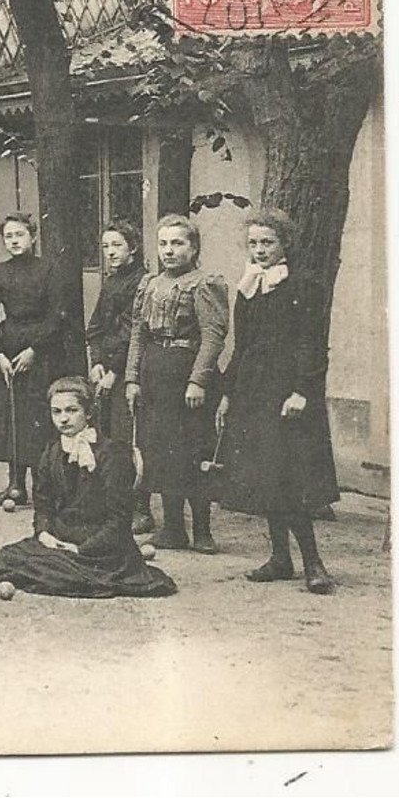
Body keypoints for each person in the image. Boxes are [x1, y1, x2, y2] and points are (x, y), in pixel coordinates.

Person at [216, 210, 339, 594]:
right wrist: (227, 393)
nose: (259, 250)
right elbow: (242, 345)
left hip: (288, 393)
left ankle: (313, 563)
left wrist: (302, 390)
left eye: (267, 242)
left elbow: (311, 344)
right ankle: (280, 559)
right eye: (253, 243)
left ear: (285, 244)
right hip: (254, 392)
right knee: (267, 474)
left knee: (290, 477)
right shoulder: (249, 287)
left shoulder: (303, 286)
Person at [0, 377, 178, 599]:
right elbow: (43, 506)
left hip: (102, 549)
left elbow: (119, 521)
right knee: (8, 559)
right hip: (61, 538)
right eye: (56, 412)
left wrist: (81, 549)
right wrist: (44, 534)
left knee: (61, 573)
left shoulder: (111, 455)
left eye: (71, 410)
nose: (63, 419)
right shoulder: (52, 452)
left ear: (89, 413)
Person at [125, 215, 230, 553]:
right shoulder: (149, 284)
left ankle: (202, 530)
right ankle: (173, 528)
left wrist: (198, 380)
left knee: (192, 451)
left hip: (187, 373)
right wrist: (132, 378)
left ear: (193, 247)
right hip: (155, 374)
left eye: (177, 243)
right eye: (163, 244)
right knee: (160, 452)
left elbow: (213, 337)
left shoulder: (204, 283)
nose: (169, 251)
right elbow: (138, 335)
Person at [0, 213, 68, 508]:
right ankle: (15, 485)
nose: (14, 241)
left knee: (37, 419)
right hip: (9, 347)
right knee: (11, 415)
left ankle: (43, 488)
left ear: (33, 237)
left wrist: (35, 350)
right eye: (9, 236)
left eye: (20, 235)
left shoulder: (49, 269)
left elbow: (58, 315)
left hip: (43, 351)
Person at [86, 220, 154, 534]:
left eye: (117, 246)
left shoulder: (142, 281)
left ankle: (141, 509)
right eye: (106, 247)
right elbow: (96, 326)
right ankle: (114, 505)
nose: (110, 252)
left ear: (133, 248)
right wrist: (97, 362)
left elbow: (132, 331)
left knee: (132, 439)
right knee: (110, 439)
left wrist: (113, 370)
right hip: (108, 372)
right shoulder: (111, 282)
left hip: (131, 371)